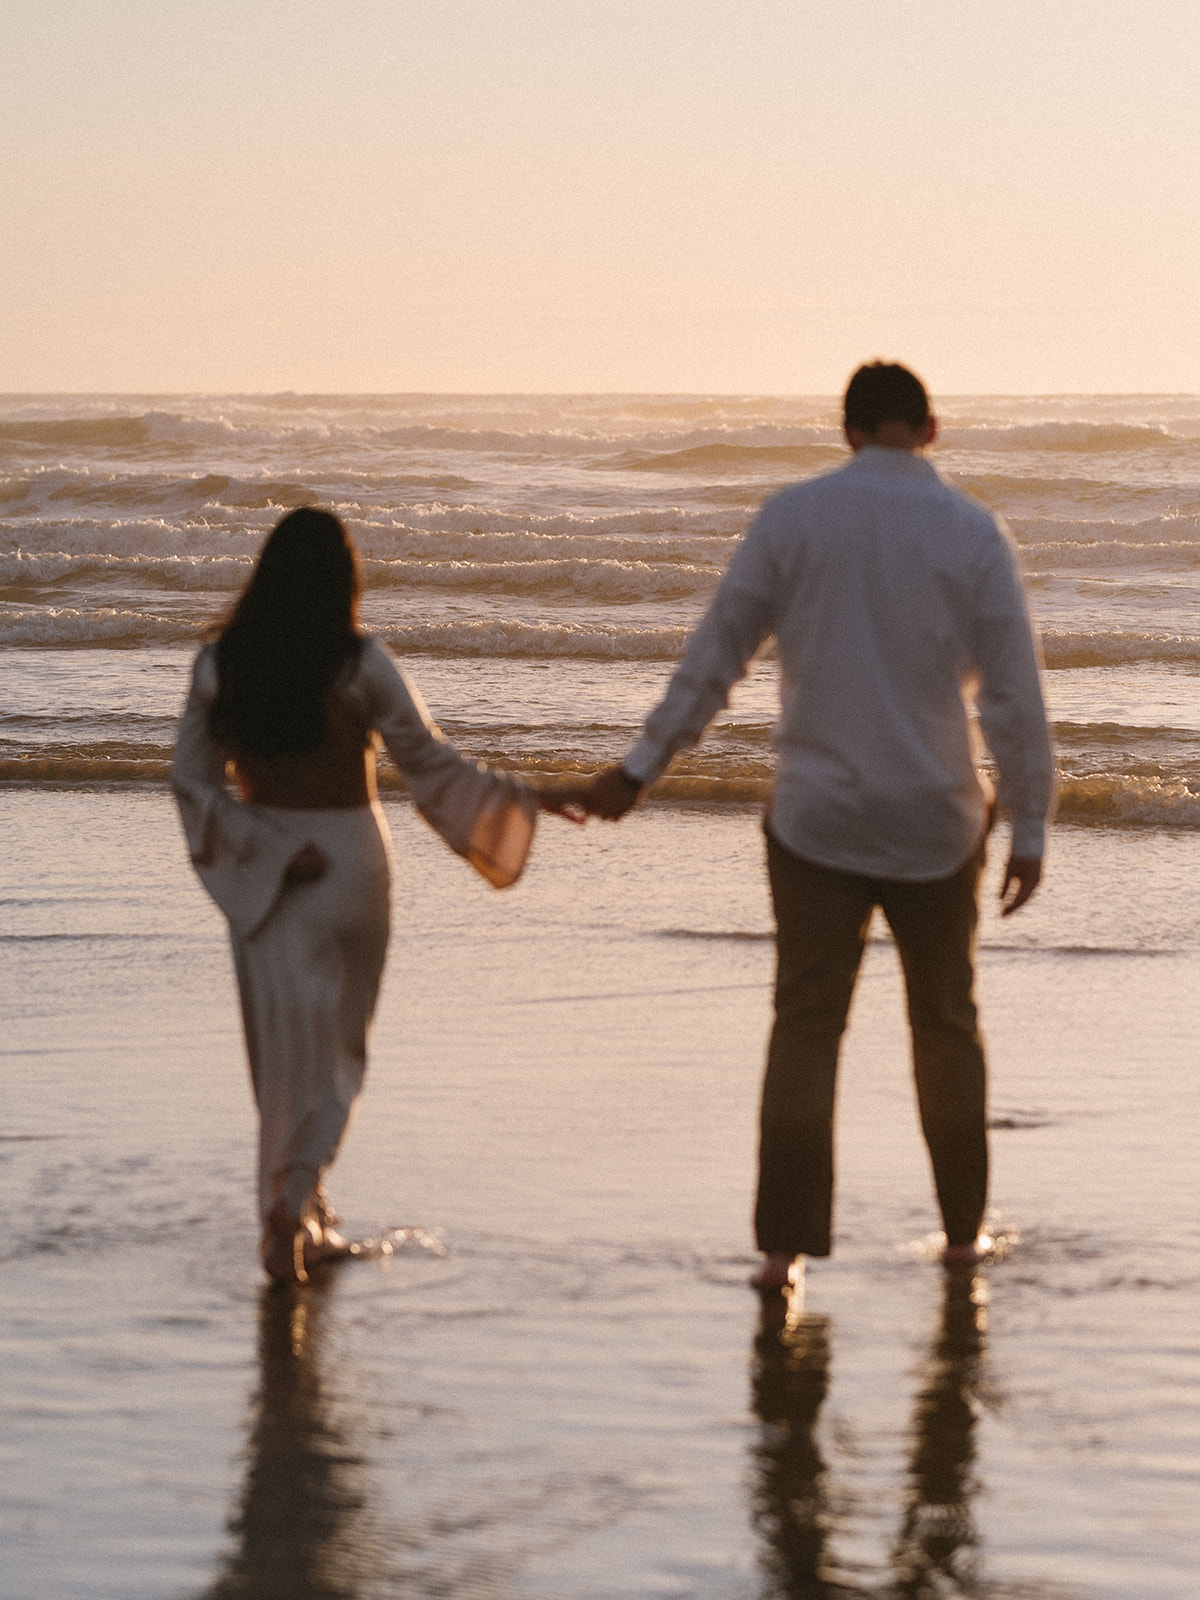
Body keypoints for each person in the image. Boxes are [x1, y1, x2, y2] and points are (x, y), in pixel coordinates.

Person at [573, 363, 1055, 1289]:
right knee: (946, 1023)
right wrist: (1030, 825)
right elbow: (1013, 700)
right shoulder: (972, 531)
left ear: (846, 433)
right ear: (932, 429)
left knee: (805, 1025)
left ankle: (783, 1254)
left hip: (816, 818)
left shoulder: (791, 517)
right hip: (935, 819)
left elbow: (715, 659)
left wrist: (639, 771)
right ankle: (962, 1239)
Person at [173, 507, 548, 1285]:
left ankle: (293, 1208)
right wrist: (528, 799)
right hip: (350, 868)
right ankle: (298, 1206)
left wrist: (269, 849)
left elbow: (192, 784)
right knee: (340, 1051)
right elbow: (432, 767)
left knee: (280, 1056)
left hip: (270, 875)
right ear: (345, 580)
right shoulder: (360, 664)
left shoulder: (220, 667)